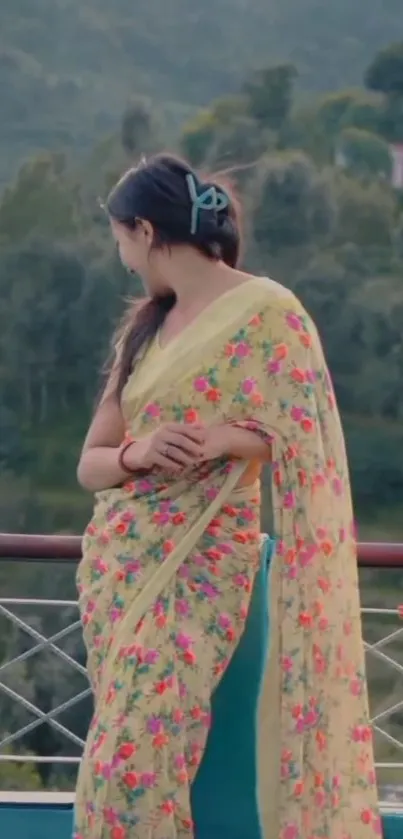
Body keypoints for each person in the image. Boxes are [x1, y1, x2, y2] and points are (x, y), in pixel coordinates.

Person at [73, 154, 380, 839]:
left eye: (119, 240)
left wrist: (221, 437)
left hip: (204, 561)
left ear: (144, 231)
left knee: (136, 755)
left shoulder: (269, 312)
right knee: (122, 750)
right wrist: (137, 452)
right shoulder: (146, 330)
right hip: (123, 563)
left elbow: (305, 430)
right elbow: (90, 465)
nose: (121, 258)